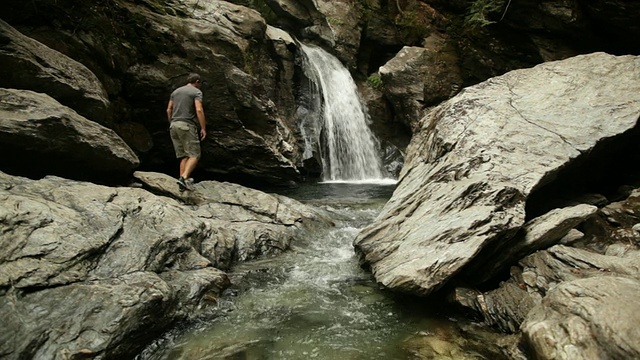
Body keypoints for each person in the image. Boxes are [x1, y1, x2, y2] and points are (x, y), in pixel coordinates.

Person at [166, 73, 207, 191]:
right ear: (197, 81)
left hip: (173, 125)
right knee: (194, 155)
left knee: (184, 156)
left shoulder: (175, 92)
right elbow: (199, 109)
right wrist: (203, 128)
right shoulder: (196, 92)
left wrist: (171, 122)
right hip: (186, 125)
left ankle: (181, 183)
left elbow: (169, 109)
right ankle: (184, 178)